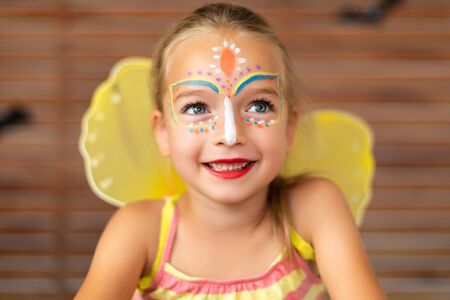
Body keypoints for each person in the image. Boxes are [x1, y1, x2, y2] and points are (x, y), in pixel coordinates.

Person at [75, 3, 387, 299]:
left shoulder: (313, 209)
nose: (230, 135)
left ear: (289, 127)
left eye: (259, 105)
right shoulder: (139, 231)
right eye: (197, 107)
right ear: (163, 132)